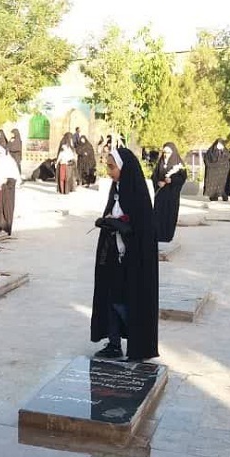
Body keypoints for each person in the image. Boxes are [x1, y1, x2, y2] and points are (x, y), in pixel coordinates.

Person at [90, 147, 158, 361]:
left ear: (124, 167)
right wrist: (107, 222)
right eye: (108, 167)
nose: (109, 171)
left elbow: (143, 230)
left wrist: (121, 226)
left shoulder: (137, 194)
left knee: (124, 302)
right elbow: (114, 214)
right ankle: (113, 343)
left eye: (112, 167)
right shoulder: (116, 190)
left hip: (133, 260)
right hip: (113, 256)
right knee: (110, 299)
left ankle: (139, 342)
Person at [151, 142, 186, 243]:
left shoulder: (179, 164)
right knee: (158, 214)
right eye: (164, 152)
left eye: (168, 152)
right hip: (161, 194)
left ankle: (167, 235)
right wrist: (158, 182)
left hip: (171, 195)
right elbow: (154, 176)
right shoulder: (160, 163)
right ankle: (158, 235)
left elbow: (182, 178)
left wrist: (172, 180)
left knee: (169, 215)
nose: (166, 155)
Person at [0, 145, 19, 235]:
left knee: (6, 208)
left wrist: (5, 180)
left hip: (6, 190)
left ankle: (6, 227)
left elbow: (14, 178)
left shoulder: (10, 162)